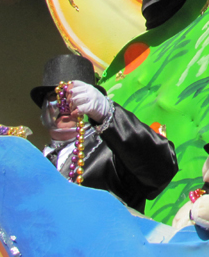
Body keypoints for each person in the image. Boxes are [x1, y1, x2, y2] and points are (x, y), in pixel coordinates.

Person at [31, 53, 178, 213]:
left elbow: (161, 169)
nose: (65, 105)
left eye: (74, 95)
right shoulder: (31, 161)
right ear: (43, 109)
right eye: (55, 96)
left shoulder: (114, 148)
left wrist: (109, 114)